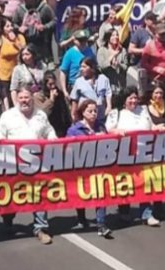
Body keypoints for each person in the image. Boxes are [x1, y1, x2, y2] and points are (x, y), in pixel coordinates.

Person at [0, 88, 56, 244]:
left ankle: (41, 228)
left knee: (39, 195)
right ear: (17, 99)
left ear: (32, 99)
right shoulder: (7, 116)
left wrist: (54, 139)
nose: (24, 100)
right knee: (10, 198)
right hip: (13, 166)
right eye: (21, 98)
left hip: (36, 165)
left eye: (26, 97)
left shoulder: (40, 115)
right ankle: (8, 222)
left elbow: (49, 131)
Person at [105, 87, 162, 226]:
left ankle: (147, 214)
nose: (134, 100)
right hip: (123, 155)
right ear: (124, 100)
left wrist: (158, 128)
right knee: (125, 184)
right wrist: (117, 131)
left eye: (135, 97)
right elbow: (108, 129)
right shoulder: (116, 113)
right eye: (130, 98)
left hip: (144, 154)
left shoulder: (144, 110)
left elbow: (151, 126)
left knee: (144, 184)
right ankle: (124, 211)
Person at [66, 99, 113, 238]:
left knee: (100, 193)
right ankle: (81, 218)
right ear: (83, 113)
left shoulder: (101, 127)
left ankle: (101, 224)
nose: (93, 114)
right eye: (90, 111)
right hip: (81, 167)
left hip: (98, 166)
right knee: (81, 194)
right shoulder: (74, 129)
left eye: (95, 111)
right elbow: (67, 148)